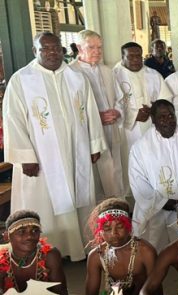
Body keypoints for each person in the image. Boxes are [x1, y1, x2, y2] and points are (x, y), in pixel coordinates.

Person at [2, 32, 106, 261]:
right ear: (35, 51)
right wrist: (25, 156)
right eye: (45, 49)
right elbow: (13, 120)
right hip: (39, 158)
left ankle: (79, 248)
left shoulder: (76, 77)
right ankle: (43, 253)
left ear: (63, 49)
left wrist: (94, 143)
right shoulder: (22, 80)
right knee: (44, 203)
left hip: (75, 151)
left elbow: (90, 112)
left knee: (78, 196)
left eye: (56, 48)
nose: (52, 53)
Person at [128, 99, 178, 251]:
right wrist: (165, 203)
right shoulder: (141, 148)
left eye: (171, 116)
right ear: (153, 120)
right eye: (162, 117)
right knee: (153, 249)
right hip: (156, 210)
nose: (168, 121)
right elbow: (138, 182)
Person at [69, 30, 124, 200]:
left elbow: (120, 98)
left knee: (113, 171)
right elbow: (69, 109)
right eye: (91, 47)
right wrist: (96, 118)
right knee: (94, 176)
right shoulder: (70, 73)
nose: (97, 51)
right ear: (79, 48)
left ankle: (116, 207)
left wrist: (117, 111)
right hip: (88, 133)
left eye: (99, 47)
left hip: (110, 128)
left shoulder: (107, 71)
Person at [113, 41, 172, 195]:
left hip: (151, 128)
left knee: (153, 162)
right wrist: (133, 114)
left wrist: (154, 110)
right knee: (129, 163)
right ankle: (131, 199)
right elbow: (112, 104)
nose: (135, 60)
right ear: (122, 57)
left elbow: (165, 99)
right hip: (127, 131)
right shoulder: (114, 76)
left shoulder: (153, 74)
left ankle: (156, 193)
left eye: (138, 56)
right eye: (130, 56)